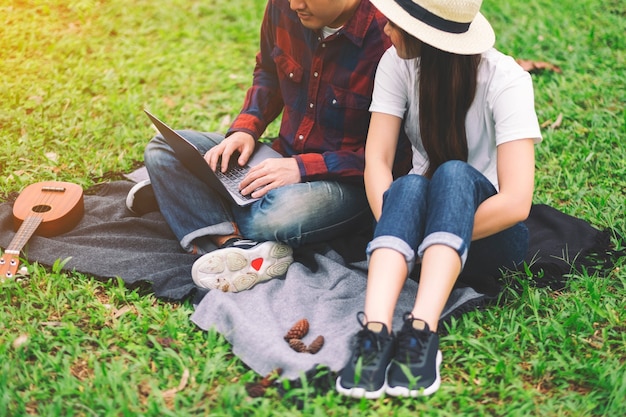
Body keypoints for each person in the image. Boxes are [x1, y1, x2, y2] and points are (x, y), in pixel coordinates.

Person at [336, 0, 542, 398]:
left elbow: (517, 202)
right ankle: (375, 331)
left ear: (427, 35)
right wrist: (398, 224)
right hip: (415, 239)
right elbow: (376, 161)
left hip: (487, 240)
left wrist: (427, 234)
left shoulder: (506, 80)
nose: (385, 29)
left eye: (397, 23)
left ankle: (420, 333)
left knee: (452, 174)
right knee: (409, 185)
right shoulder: (396, 64)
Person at [126, 0, 399, 293]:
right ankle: (229, 242)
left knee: (275, 217)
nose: (295, 5)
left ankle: (188, 199)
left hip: (345, 182)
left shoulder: (389, 38)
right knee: (163, 149)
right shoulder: (284, 6)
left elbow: (393, 160)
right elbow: (268, 72)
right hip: (278, 156)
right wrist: (246, 129)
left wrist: (301, 168)